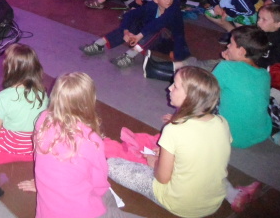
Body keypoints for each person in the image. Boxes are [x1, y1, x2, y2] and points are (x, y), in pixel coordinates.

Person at [110, 66, 260, 215]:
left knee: (111, 165)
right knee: (206, 165)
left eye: (175, 86)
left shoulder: (174, 130)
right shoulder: (221, 122)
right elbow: (200, 150)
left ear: (190, 97)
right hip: (213, 201)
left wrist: (155, 163)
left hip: (183, 205)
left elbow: (162, 178)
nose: (169, 88)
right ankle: (233, 194)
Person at [18, 72, 141, 218]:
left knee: (109, 200)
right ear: (88, 102)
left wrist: (43, 184)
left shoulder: (43, 119)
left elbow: (41, 160)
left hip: (46, 213)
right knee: (108, 197)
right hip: (83, 213)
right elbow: (99, 184)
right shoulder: (91, 140)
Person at [81, 0, 190, 69]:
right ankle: (99, 44)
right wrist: (126, 31)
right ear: (156, 0)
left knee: (158, 28)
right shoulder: (152, 5)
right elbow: (130, 14)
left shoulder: (174, 9)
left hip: (169, 42)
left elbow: (159, 23)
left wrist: (138, 36)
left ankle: (130, 56)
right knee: (135, 22)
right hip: (150, 40)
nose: (169, 0)